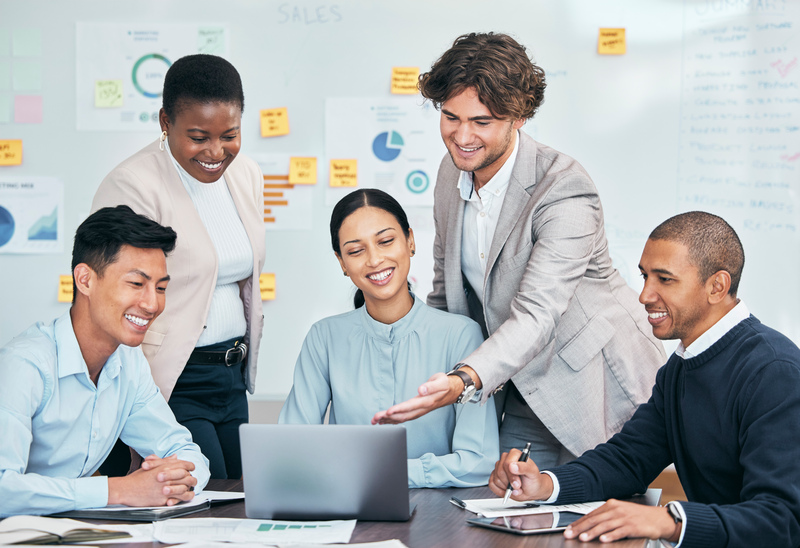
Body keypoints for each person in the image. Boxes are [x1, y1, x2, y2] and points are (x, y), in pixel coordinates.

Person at [373, 32, 666, 467]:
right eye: (450, 117)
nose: (462, 135)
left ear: (519, 117)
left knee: (595, 504)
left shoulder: (564, 188)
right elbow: (447, 294)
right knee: (508, 498)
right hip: (515, 383)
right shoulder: (450, 175)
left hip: (594, 383)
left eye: (482, 122)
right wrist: (410, 369)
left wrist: (462, 379)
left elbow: (538, 313)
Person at [489, 211, 800, 547]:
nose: (645, 295)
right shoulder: (680, 368)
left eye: (664, 279)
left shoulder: (774, 372)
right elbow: (629, 459)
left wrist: (669, 520)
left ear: (717, 286)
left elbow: (781, 519)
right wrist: (545, 485)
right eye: (645, 276)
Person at [92, 54, 266, 479]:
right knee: (205, 497)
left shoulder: (246, 174)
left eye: (229, 135)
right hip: (171, 377)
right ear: (165, 122)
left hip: (232, 376)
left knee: (245, 496)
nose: (216, 152)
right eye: (198, 137)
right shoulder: (133, 185)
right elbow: (113, 297)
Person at [279, 189, 499, 488]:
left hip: (438, 508)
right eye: (356, 251)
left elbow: (479, 461)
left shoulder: (460, 334)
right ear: (342, 262)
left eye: (385, 241)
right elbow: (292, 445)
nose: (374, 259)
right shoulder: (324, 338)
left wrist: (382, 473)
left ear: (410, 241)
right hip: (348, 503)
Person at [0, 206, 210, 517]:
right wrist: (120, 490)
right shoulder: (25, 364)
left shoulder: (129, 362)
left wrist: (169, 481)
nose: (152, 304)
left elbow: (186, 452)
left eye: (161, 288)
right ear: (85, 280)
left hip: (77, 529)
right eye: (136, 284)